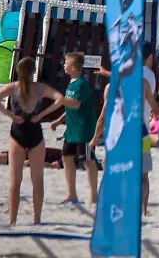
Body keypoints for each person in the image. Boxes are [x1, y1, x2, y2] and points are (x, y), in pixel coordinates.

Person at [0, 58, 65, 225]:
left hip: (17, 133)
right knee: (37, 180)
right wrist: (42, 114)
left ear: (18, 70)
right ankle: (37, 219)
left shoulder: (13, 87)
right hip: (35, 135)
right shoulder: (40, 88)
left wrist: (10, 115)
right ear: (33, 71)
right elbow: (60, 99)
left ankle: (13, 220)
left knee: (15, 180)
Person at [49, 52, 98, 205]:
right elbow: (70, 106)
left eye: (66, 63)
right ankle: (72, 195)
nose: (64, 65)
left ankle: (94, 196)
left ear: (74, 67)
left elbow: (75, 103)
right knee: (66, 157)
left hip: (84, 129)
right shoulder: (72, 82)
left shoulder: (82, 84)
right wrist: (59, 120)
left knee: (87, 161)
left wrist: (59, 99)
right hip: (71, 129)